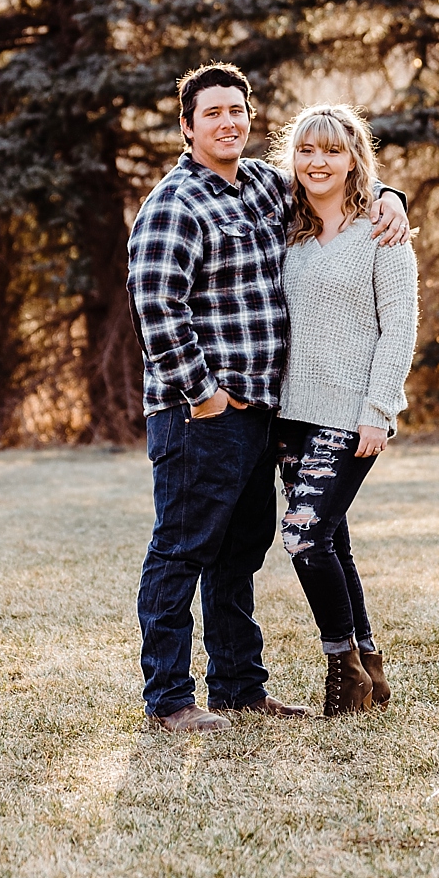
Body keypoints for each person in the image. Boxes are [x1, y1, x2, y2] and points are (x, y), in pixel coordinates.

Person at [126, 64, 409, 734]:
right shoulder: (174, 203)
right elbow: (156, 307)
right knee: (181, 551)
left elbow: (335, 180)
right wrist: (203, 394)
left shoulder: (259, 185)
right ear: (187, 125)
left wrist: (392, 195)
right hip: (201, 413)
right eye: (213, 112)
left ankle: (238, 686)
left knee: (239, 553)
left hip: (262, 413)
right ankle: (169, 699)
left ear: (250, 118)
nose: (228, 121)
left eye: (237, 110)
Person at [270, 104, 418, 717]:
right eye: (306, 150)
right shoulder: (287, 226)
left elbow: (399, 327)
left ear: (354, 156)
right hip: (288, 416)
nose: (317, 162)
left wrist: (378, 409)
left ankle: (344, 673)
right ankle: (372, 670)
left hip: (350, 412)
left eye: (332, 150)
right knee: (332, 540)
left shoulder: (381, 232)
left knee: (304, 537)